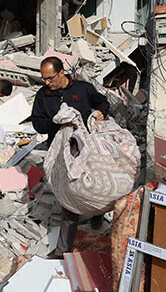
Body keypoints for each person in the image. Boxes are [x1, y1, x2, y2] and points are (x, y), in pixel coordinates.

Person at [31, 56, 110, 257]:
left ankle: (97, 216)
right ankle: (62, 249)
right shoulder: (43, 95)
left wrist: (101, 111)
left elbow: (102, 102)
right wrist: (57, 122)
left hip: (87, 149)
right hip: (61, 153)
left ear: (61, 73)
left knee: (95, 185)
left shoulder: (83, 89)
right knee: (69, 198)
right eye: (44, 78)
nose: (46, 82)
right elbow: (38, 123)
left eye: (50, 78)